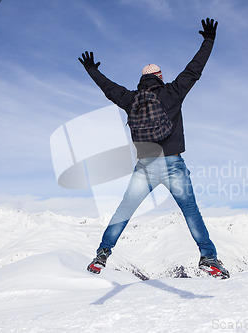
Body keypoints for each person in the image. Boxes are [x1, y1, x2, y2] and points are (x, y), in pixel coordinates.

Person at [78, 18, 229, 279]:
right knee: (190, 211)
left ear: (142, 80)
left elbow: (109, 89)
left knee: (124, 210)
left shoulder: (131, 99)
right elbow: (194, 70)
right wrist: (208, 41)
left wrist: (92, 70)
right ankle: (209, 258)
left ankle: (102, 254)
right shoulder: (172, 92)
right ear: (160, 78)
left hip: (145, 166)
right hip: (173, 163)